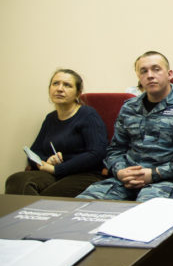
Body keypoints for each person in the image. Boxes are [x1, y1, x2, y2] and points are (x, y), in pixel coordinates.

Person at [77, 51, 173, 201]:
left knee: (145, 212)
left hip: (166, 181)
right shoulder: (129, 107)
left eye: (156, 69)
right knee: (83, 204)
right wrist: (120, 171)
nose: (150, 75)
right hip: (125, 179)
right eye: (143, 71)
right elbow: (115, 149)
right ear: (138, 77)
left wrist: (155, 173)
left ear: (169, 74)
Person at [5, 69, 107, 197]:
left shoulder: (88, 115)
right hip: (53, 173)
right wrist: (46, 161)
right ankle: (31, 209)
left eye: (67, 85)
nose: (59, 89)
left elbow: (97, 153)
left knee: (49, 196)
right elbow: (35, 151)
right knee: (16, 180)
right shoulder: (50, 118)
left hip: (84, 174)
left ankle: (34, 209)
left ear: (78, 93)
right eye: (55, 84)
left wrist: (57, 169)